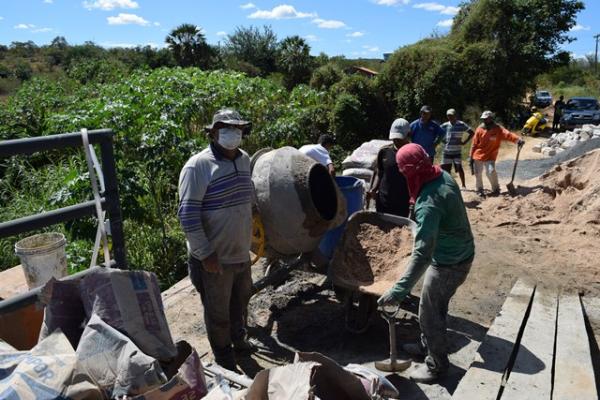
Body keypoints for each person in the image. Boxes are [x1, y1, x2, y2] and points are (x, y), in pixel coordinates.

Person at [378, 143, 475, 383]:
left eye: (403, 173)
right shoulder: (440, 175)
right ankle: (427, 345)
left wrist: (398, 291)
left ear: (409, 173)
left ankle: (436, 366)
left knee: (428, 314)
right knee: (435, 305)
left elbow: (422, 254)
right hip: (459, 251)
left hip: (450, 263)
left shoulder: (429, 203)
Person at [177, 108, 254, 372]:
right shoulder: (198, 166)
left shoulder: (244, 160)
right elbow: (187, 215)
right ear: (212, 132)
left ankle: (239, 341)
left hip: (240, 253)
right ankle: (224, 358)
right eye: (225, 128)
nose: (233, 133)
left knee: (241, 301)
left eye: (237, 129)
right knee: (218, 312)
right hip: (214, 258)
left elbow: (247, 201)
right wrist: (205, 253)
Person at [470, 110, 524, 197]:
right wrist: (471, 156)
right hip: (478, 154)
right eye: (484, 119)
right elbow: (474, 143)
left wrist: (518, 140)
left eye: (486, 119)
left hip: (490, 156)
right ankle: (479, 189)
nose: (484, 120)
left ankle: (495, 189)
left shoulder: (498, 129)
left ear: (491, 118)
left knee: (490, 172)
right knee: (478, 173)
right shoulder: (480, 129)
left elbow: (508, 135)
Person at [367, 118, 411, 217]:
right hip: (384, 200)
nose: (396, 141)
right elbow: (379, 171)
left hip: (402, 202)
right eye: (394, 138)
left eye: (399, 139)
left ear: (408, 135)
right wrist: (373, 189)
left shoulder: (413, 154)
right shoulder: (384, 151)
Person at [440, 109, 474, 188]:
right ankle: (449, 185)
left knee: (459, 168)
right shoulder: (445, 125)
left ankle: (463, 185)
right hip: (447, 151)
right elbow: (437, 132)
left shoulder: (461, 124)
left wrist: (464, 142)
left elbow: (471, 132)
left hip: (457, 151)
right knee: (446, 170)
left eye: (451, 115)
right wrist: (442, 140)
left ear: (455, 115)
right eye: (448, 115)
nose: (450, 117)